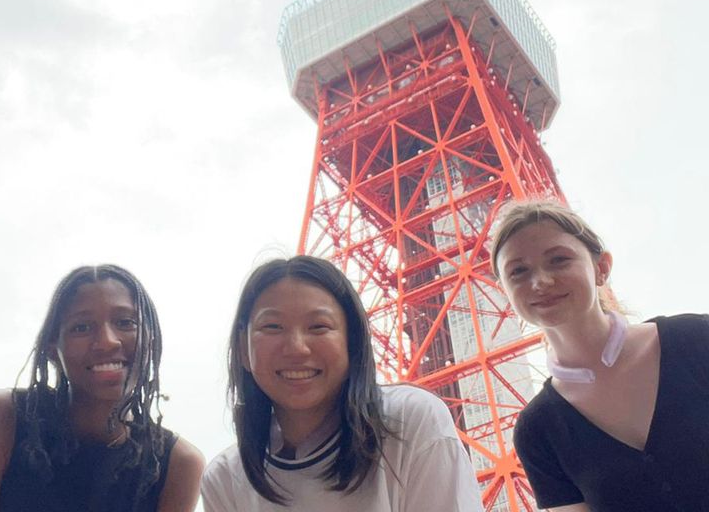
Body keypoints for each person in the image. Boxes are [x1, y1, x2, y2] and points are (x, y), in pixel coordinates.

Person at [201, 255, 483, 511]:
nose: (297, 348)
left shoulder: (411, 422)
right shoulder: (225, 478)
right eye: (272, 327)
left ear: (352, 342)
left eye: (319, 327)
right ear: (242, 350)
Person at [490, 199, 709, 512]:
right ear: (505, 293)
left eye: (558, 260)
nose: (540, 282)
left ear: (601, 267)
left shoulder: (696, 339)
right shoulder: (538, 429)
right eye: (518, 271)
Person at [0, 264, 204, 512]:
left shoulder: (179, 464)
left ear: (150, 339)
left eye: (126, 322)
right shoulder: (3, 416)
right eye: (81, 327)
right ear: (53, 347)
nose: (107, 341)